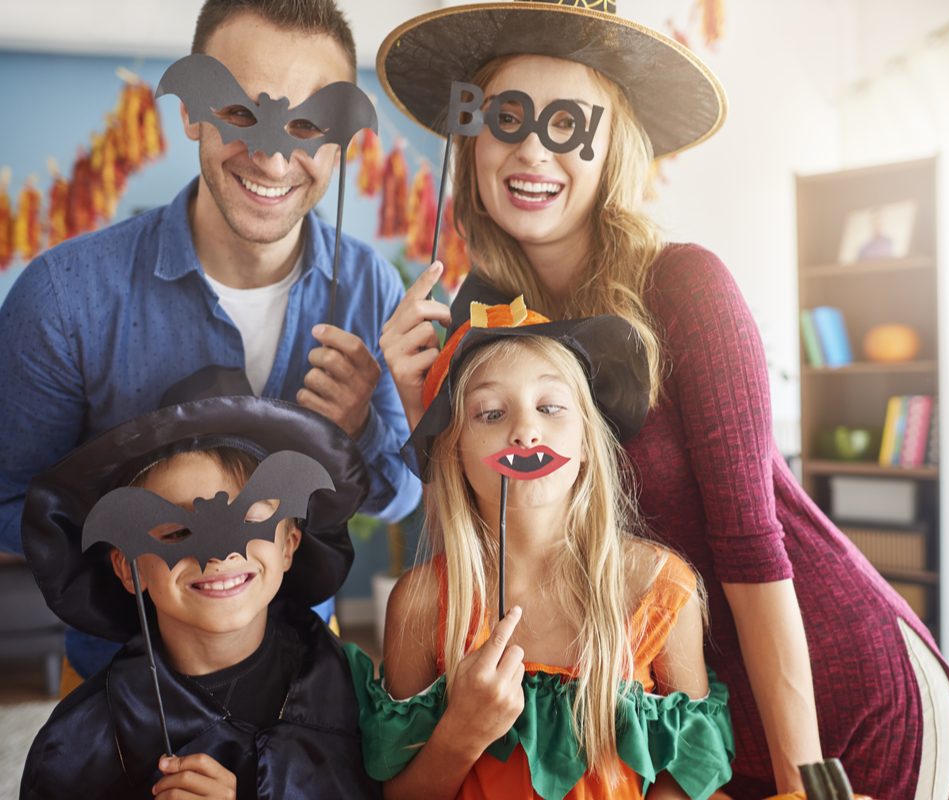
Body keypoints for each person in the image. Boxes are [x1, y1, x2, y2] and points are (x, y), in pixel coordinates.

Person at [375, 3, 949, 798]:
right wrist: (425, 412)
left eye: (568, 125)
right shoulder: (483, 326)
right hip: (678, 724)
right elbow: (493, 532)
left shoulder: (684, 286)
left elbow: (752, 544)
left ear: (611, 142)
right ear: (471, 139)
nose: (530, 150)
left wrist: (805, 779)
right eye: (506, 119)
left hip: (830, 700)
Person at [0, 0, 419, 691]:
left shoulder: (369, 285)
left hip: (304, 681)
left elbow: (395, 498)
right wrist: (144, 536)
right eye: (240, 113)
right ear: (193, 109)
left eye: (308, 123)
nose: (274, 153)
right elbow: (10, 502)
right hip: (123, 685)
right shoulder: (63, 297)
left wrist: (361, 428)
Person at [348, 300, 733, 799]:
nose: (526, 431)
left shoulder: (658, 591)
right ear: (454, 451)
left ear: (589, 441)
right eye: (490, 413)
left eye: (550, 407)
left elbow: (686, 777)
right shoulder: (422, 604)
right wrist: (462, 731)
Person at [19, 367, 381, 799]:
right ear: (127, 567)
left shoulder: (354, 698)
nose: (221, 555)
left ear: (289, 545)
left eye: (250, 521)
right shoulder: (79, 746)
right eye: (176, 533)